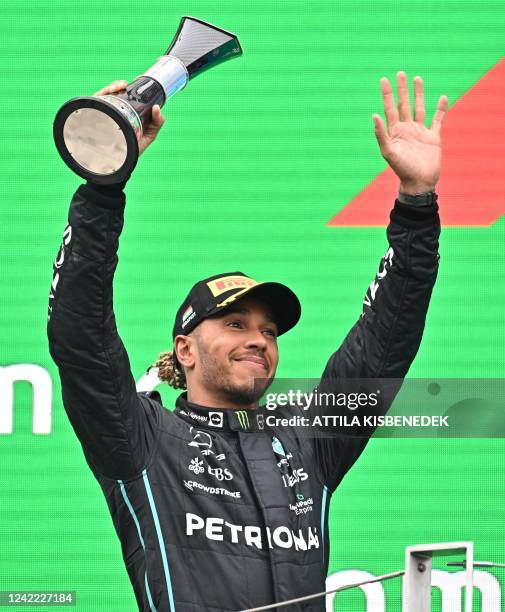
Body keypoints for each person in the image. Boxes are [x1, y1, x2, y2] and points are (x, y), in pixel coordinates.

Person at [47, 72, 447, 611]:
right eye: (234, 324)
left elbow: (386, 342)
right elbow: (81, 334)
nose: (258, 340)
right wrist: (103, 180)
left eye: (269, 330)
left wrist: (416, 205)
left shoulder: (310, 441)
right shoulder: (141, 437)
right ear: (184, 350)